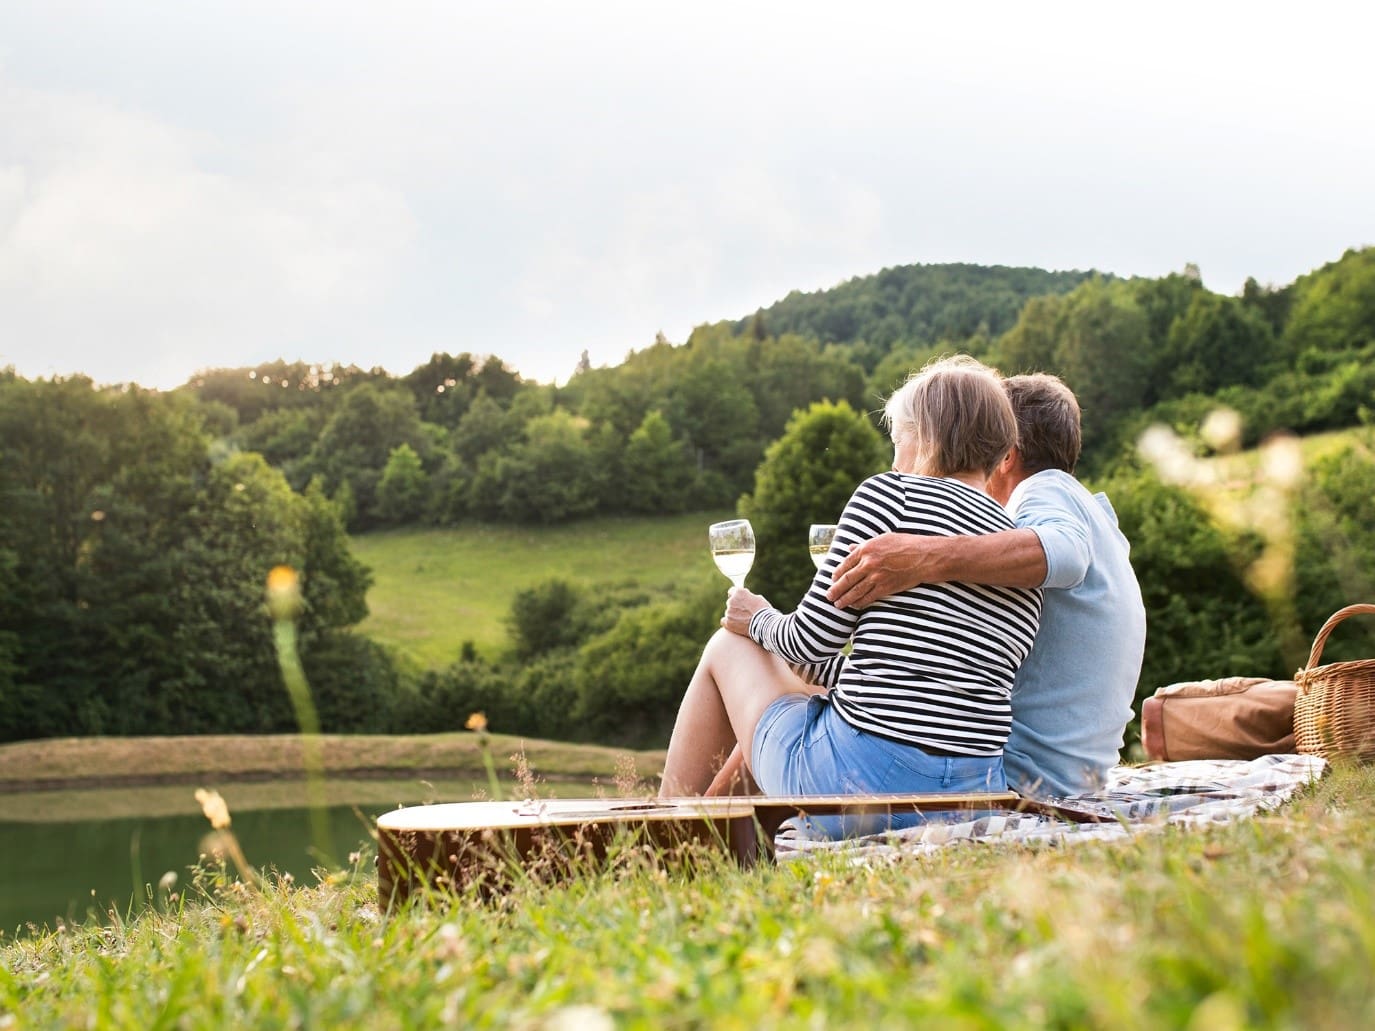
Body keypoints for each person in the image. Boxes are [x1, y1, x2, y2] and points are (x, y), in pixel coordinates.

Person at [658, 356, 1042, 808]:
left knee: (727, 646)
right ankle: (710, 837)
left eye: (898, 440)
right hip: (971, 792)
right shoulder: (1014, 548)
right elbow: (928, 683)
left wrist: (756, 618)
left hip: (859, 784)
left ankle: (664, 831)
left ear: (925, 438)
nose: (895, 458)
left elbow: (807, 643)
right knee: (800, 684)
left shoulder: (889, 496)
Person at [827, 372, 1147, 799]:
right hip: (1072, 775)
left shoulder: (1042, 492)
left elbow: (1065, 553)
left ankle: (718, 830)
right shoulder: (1092, 514)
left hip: (1024, 775)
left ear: (1007, 456)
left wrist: (925, 556)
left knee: (800, 680)